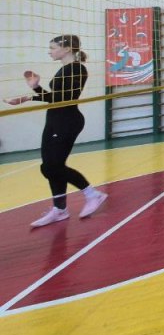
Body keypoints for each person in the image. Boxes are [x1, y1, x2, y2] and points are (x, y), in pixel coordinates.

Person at [4, 35, 108, 227]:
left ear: (67, 49)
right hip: (54, 120)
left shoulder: (77, 69)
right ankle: (60, 210)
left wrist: (29, 97)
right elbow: (55, 97)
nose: (49, 51)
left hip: (67, 121)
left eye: (52, 48)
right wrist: (35, 88)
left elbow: (64, 99)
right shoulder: (63, 69)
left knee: (53, 167)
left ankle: (93, 194)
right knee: (49, 167)